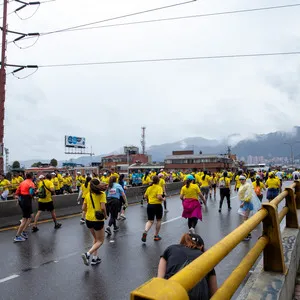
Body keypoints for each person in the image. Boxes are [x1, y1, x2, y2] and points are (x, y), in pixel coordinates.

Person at [157, 233, 217, 300]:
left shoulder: (171, 248)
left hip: (172, 294)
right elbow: (214, 292)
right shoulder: (206, 258)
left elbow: (160, 279)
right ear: (201, 246)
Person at [81, 179, 107, 266]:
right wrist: (105, 215)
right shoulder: (102, 194)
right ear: (97, 185)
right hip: (97, 220)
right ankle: (87, 254)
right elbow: (103, 208)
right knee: (100, 241)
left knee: (96, 239)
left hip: (88, 219)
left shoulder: (88, 194)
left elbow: (83, 208)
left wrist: (90, 210)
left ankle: (95, 258)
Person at [13, 173, 36, 242]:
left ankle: (23, 231)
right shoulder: (31, 183)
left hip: (22, 200)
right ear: (32, 176)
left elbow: (17, 193)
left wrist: (19, 199)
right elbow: (31, 193)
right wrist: (36, 192)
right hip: (27, 201)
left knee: (30, 216)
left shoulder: (22, 183)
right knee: (25, 219)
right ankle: (17, 236)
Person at [141, 176, 165, 242]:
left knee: (150, 221)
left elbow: (145, 196)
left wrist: (148, 200)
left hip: (150, 205)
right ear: (158, 181)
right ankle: (156, 236)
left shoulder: (149, 188)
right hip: (157, 205)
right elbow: (159, 196)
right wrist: (163, 199)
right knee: (159, 220)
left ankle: (145, 231)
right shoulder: (159, 187)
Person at [238, 176, 254, 241]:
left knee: (245, 220)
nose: (241, 181)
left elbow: (249, 195)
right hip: (243, 202)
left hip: (247, 203)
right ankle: (248, 234)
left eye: (242, 179)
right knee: (245, 219)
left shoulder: (248, 185)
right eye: (240, 180)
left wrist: (243, 203)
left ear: (245, 180)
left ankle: (247, 235)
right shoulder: (242, 185)